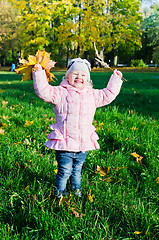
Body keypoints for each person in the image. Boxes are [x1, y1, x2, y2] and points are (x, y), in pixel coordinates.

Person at [32, 58, 123, 199]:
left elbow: (108, 94)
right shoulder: (60, 93)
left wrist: (116, 79)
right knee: (65, 170)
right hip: (64, 143)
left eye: (83, 75)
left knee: (77, 170)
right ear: (67, 76)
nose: (79, 77)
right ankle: (59, 194)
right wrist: (39, 73)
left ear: (88, 80)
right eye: (75, 74)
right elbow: (44, 91)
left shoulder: (93, 95)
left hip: (83, 143)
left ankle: (76, 190)